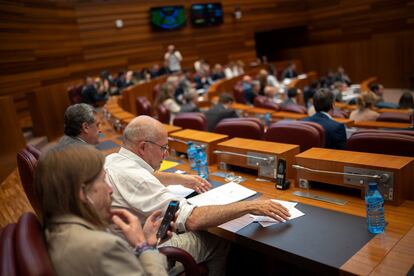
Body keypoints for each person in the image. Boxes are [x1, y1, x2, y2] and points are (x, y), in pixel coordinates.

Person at [105, 116, 291, 275]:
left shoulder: (113, 159)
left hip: (114, 251)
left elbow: (143, 176)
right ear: (143, 147)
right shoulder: (138, 180)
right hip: (138, 257)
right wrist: (251, 206)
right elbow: (191, 219)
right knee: (217, 239)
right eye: (163, 147)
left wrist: (179, 178)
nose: (166, 153)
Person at [34, 145, 170, 275]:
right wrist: (144, 247)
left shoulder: (55, 229)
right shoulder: (104, 246)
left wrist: (146, 241)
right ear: (83, 192)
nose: (110, 190)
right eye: (104, 180)